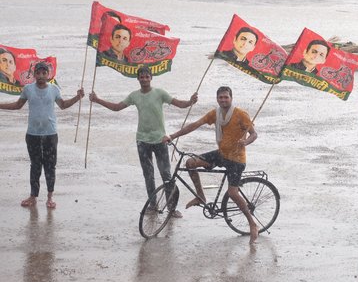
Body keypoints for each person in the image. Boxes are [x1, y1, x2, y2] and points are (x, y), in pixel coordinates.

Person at [89, 66, 197, 218]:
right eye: (142, 77)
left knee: (166, 174)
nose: (144, 79)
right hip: (142, 141)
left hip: (160, 140)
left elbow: (179, 104)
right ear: (138, 78)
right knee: (148, 175)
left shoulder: (160, 93)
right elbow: (116, 108)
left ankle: (171, 209)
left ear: (151, 78)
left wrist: (190, 102)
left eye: (147, 76)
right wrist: (97, 99)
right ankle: (153, 206)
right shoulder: (134, 96)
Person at [162, 86, 259, 243]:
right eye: (220, 97)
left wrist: (245, 142)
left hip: (236, 159)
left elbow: (254, 134)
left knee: (233, 193)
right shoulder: (216, 114)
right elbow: (195, 124)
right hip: (221, 154)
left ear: (231, 98)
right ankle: (200, 196)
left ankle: (252, 224)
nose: (223, 100)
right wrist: (172, 135)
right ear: (217, 99)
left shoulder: (241, 114)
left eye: (226, 97)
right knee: (190, 163)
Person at [0, 62, 84, 209]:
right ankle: (33, 196)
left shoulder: (54, 89)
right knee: (35, 166)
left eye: (44, 73)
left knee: (50, 166)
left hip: (50, 134)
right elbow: (17, 105)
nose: (41, 76)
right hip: (32, 134)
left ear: (48, 75)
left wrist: (77, 97)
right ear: (34, 74)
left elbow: (63, 105)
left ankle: (50, 197)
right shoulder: (28, 89)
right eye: (38, 73)